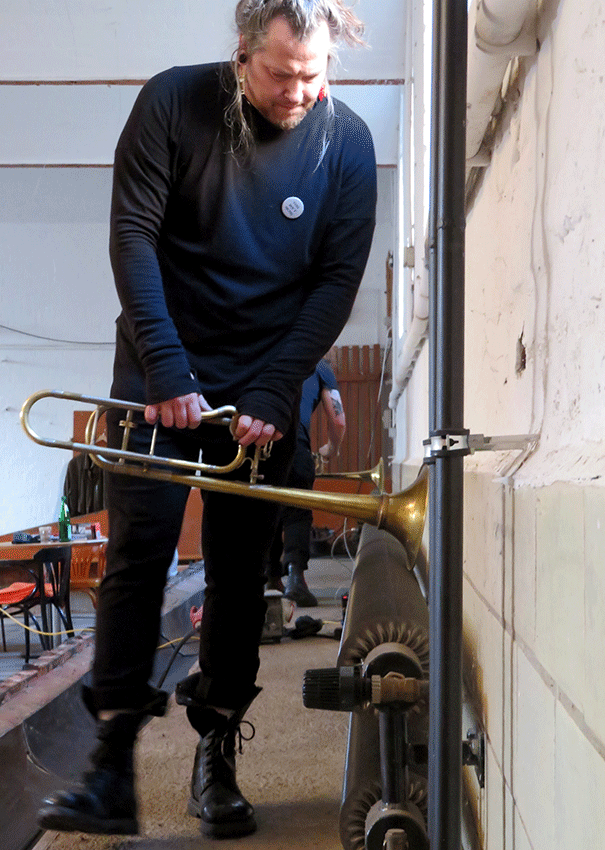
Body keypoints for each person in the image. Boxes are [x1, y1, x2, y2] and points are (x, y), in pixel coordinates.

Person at [38, 0, 376, 841]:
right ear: (241, 55)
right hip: (162, 369)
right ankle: (111, 763)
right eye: (281, 74)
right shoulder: (171, 103)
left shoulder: (348, 142)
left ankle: (216, 753)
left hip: (263, 380)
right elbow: (132, 236)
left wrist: (277, 386)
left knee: (238, 571)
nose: (299, 92)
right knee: (137, 555)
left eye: (314, 75)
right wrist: (165, 367)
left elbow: (336, 282)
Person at [266, 357, 345, 606]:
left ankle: (270, 578)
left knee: (266, 506)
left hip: (257, 440)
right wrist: (332, 448)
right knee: (298, 510)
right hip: (294, 441)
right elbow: (338, 419)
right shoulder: (319, 365)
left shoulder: (264, 348)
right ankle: (295, 579)